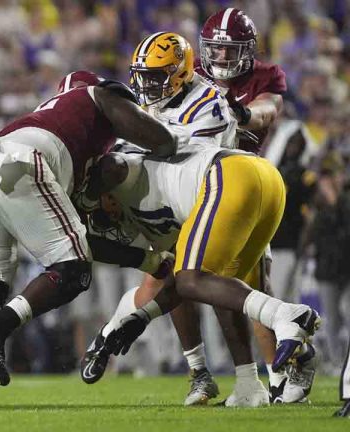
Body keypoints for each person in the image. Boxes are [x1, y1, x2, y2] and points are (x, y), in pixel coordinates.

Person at [0, 69, 180, 408]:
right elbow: (157, 138)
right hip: (18, 164)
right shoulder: (96, 97)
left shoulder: (53, 125)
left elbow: (83, 242)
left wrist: (147, 261)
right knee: (74, 271)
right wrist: (172, 142)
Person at [79, 145, 320, 399]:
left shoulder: (125, 172)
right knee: (224, 287)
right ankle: (261, 380)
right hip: (265, 177)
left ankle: (287, 316)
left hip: (227, 176)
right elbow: (174, 279)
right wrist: (141, 317)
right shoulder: (142, 184)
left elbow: (181, 280)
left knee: (193, 278)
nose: (111, 217)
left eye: (102, 211)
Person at [165, 7, 306, 405]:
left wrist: (242, 112)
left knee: (252, 284)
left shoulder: (265, 76)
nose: (222, 59)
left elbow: (268, 110)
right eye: (216, 50)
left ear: (248, 50)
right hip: (191, 186)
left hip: (239, 188)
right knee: (177, 274)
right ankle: (202, 373)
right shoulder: (191, 74)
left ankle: (281, 374)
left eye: (230, 51)